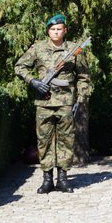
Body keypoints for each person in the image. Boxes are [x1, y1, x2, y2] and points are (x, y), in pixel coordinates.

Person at [14, 14, 91, 194]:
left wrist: (81, 99)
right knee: (44, 141)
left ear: (65, 30)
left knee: (66, 140)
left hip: (66, 103)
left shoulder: (74, 50)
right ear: (48, 31)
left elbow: (84, 77)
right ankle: (47, 178)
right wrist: (32, 81)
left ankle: (63, 178)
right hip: (44, 103)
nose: (56, 32)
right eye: (52, 29)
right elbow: (19, 66)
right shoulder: (38, 48)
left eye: (59, 29)